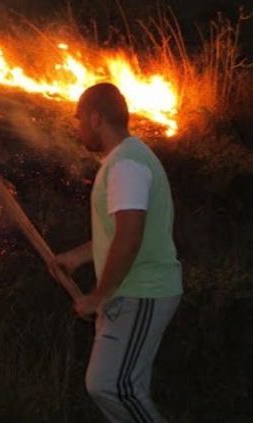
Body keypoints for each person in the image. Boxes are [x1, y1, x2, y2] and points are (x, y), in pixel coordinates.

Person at [51, 83, 182, 422]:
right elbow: (116, 234)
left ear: (97, 118)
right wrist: (76, 258)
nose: (78, 127)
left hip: (141, 292)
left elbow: (129, 236)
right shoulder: (126, 160)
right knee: (119, 385)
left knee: (111, 385)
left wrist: (98, 296)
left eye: (80, 120)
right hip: (132, 293)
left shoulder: (125, 165)